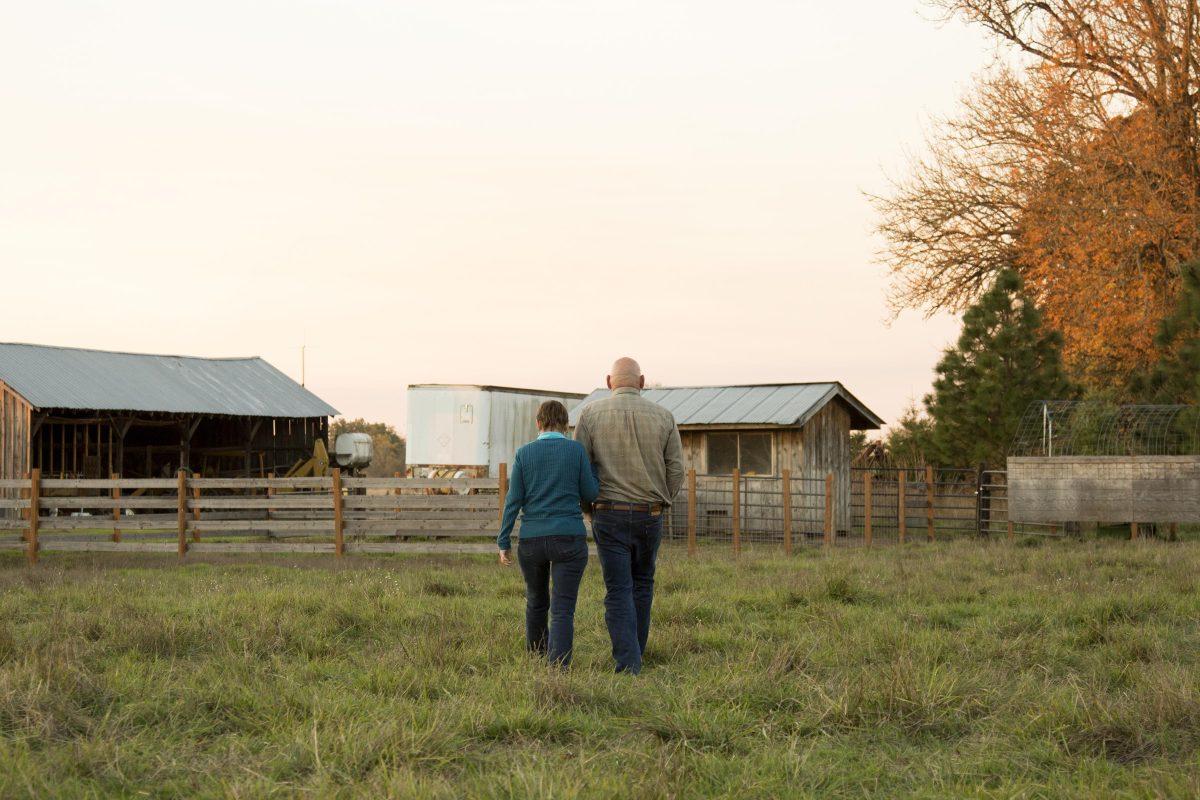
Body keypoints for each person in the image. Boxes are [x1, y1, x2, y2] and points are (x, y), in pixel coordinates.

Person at [573, 358, 683, 674]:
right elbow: (675, 468)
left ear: (609, 381)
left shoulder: (590, 415)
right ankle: (637, 654)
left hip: (609, 512)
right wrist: (663, 501)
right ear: (642, 381)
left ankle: (628, 661)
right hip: (650, 513)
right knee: (643, 583)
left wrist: (587, 508)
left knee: (618, 588)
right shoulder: (664, 416)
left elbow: (581, 467)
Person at [497, 399, 599, 667]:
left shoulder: (524, 454)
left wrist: (503, 540)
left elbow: (513, 501)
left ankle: (536, 656)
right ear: (566, 425)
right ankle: (559, 665)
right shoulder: (575, 451)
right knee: (563, 607)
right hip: (568, 536)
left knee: (536, 599)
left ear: (538, 423)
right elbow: (590, 493)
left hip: (531, 539)